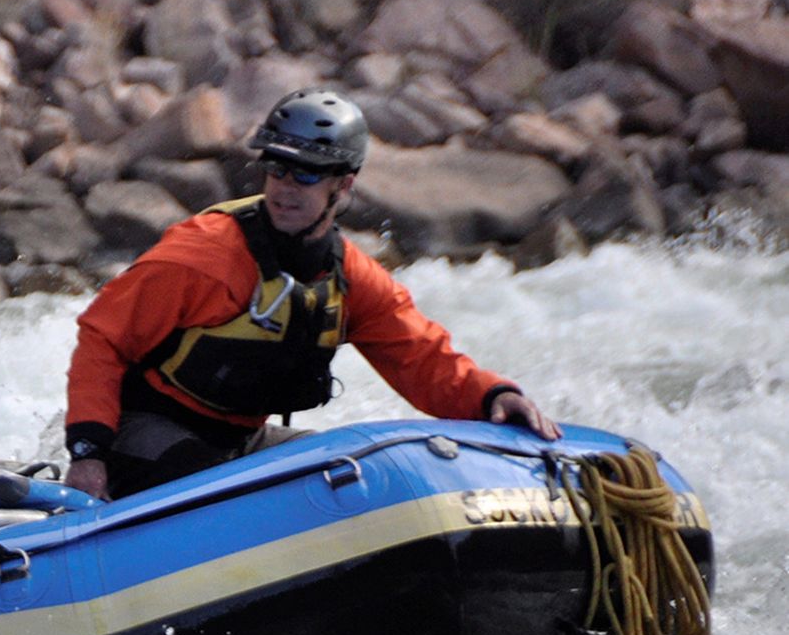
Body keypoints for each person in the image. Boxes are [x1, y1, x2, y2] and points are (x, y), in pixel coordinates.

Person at [62, 88, 559, 501]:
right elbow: (101, 338)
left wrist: (493, 394)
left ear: (343, 186)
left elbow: (422, 357)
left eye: (305, 173)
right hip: (147, 427)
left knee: (357, 480)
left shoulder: (351, 280)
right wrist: (88, 455)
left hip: (241, 439)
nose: (284, 187)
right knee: (222, 492)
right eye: (276, 168)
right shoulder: (203, 257)